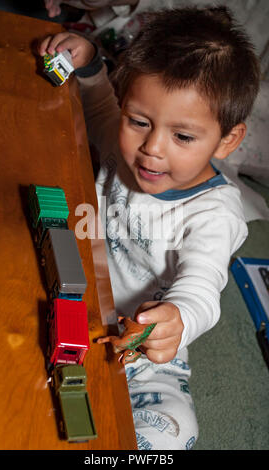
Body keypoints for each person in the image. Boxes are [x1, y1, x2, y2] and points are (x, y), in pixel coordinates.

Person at [38, 5, 260, 450]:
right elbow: (99, 103)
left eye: (182, 136)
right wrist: (90, 63)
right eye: (139, 121)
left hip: (146, 352)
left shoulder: (215, 214)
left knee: (175, 431)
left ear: (228, 139)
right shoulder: (124, 143)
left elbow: (202, 286)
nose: (151, 149)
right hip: (70, 292)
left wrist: (179, 319)